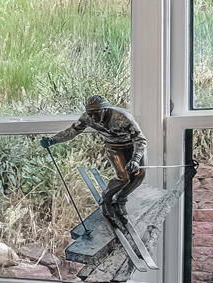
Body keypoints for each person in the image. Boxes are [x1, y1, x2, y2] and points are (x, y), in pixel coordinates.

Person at [42, 95, 145, 231]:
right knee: (123, 177)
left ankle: (120, 199)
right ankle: (107, 200)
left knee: (139, 175)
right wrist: (52, 140)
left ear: (105, 110)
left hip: (133, 145)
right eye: (90, 114)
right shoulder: (87, 117)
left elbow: (140, 139)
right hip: (114, 148)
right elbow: (73, 131)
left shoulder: (122, 117)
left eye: (97, 113)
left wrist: (136, 159)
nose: (94, 118)